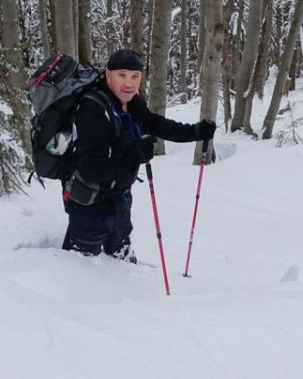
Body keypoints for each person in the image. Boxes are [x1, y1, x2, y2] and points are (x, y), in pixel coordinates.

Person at [62, 49, 216, 261]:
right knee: (80, 267)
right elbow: (90, 169)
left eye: (135, 76)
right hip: (89, 205)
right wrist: (133, 157)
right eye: (122, 75)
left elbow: (156, 124)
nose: (129, 83)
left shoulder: (132, 103)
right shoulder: (93, 110)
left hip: (120, 198)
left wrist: (195, 132)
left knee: (121, 257)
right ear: (108, 75)